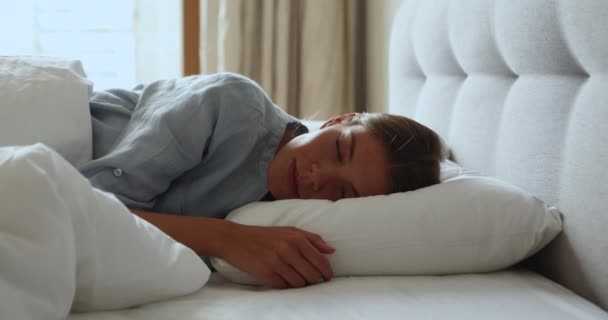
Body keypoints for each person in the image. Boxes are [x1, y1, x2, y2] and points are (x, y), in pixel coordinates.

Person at [80, 72, 443, 289]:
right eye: (337, 149)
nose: (318, 177)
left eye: (343, 191)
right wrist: (224, 238)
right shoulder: (233, 105)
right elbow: (89, 207)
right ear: (337, 120)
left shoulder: (280, 215)